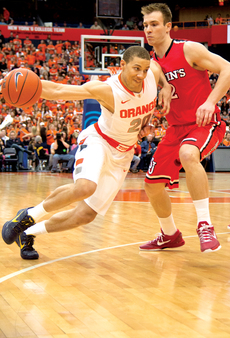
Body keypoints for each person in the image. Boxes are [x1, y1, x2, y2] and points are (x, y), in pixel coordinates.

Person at [1, 46, 171, 260]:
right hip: (99, 141)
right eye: (136, 68)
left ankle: (27, 233)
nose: (141, 74)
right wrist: (11, 83)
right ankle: (27, 217)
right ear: (122, 66)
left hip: (123, 154)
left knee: (85, 215)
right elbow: (58, 91)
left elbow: (156, 66)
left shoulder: (151, 75)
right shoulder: (107, 90)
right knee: (85, 187)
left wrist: (164, 86)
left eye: (144, 69)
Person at [139, 3, 230, 253]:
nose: (148, 30)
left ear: (168, 26)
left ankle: (205, 224)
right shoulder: (151, 62)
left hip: (205, 123)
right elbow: (157, 81)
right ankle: (169, 234)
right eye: (145, 25)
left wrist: (209, 102)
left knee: (188, 154)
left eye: (154, 24)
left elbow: (229, 70)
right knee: (151, 184)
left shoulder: (189, 49)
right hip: (175, 129)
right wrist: (159, 96)